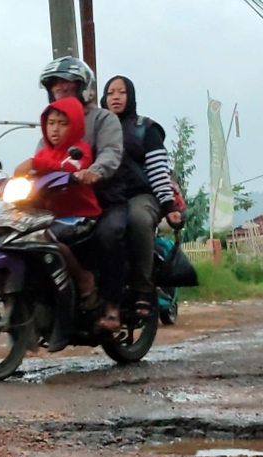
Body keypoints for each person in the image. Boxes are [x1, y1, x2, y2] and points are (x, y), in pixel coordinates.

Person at [99, 75, 182, 327]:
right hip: (108, 197)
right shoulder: (97, 128)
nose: (115, 97)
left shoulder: (145, 128)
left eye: (121, 92)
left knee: (137, 218)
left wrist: (168, 205)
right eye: (111, 92)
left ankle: (143, 289)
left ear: (131, 97)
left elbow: (158, 170)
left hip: (141, 196)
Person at [6, 96, 102, 309]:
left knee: (50, 241)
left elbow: (73, 167)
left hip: (80, 215)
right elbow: (31, 176)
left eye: (62, 123)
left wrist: (35, 163)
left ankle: (84, 279)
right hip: (50, 216)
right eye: (51, 123)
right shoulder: (44, 152)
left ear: (75, 125)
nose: (55, 129)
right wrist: (5, 183)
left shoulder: (80, 149)